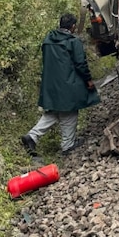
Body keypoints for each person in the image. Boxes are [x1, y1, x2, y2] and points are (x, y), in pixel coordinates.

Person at [20, 13, 100, 156]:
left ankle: (32, 136)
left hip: (50, 84)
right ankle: (67, 145)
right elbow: (80, 64)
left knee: (54, 112)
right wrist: (88, 80)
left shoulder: (48, 40)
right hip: (67, 84)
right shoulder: (72, 42)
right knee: (70, 111)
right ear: (73, 27)